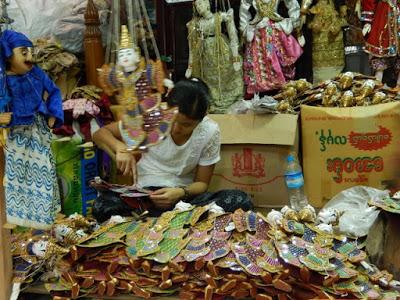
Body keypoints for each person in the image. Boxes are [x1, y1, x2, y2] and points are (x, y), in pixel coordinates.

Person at [93, 78, 253, 216]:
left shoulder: (210, 131)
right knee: (102, 206)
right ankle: (177, 219)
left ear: (202, 118)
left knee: (240, 199)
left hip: (182, 197)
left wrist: (181, 193)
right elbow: (100, 134)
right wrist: (120, 148)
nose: (176, 128)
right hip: (146, 195)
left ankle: (163, 219)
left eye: (186, 124)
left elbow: (202, 184)